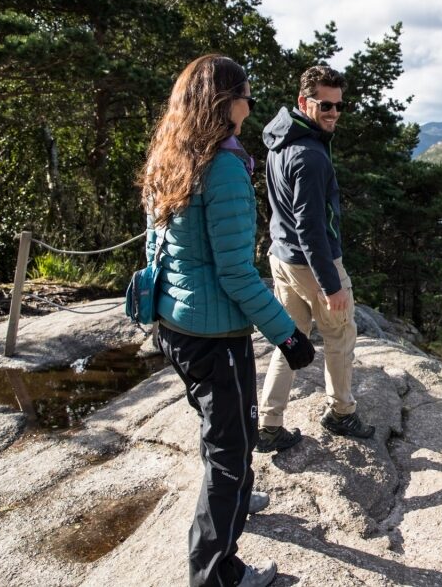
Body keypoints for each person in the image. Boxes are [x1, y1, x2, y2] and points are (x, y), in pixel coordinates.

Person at [140, 54, 315, 587]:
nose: (251, 106)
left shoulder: (170, 155)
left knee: (221, 434)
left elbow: (157, 245)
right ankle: (217, 575)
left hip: (175, 324)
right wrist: (288, 335)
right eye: (248, 96)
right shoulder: (224, 168)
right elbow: (237, 274)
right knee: (232, 448)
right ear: (227, 103)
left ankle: (235, 495)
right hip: (215, 335)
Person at [256, 64, 375, 451]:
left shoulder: (280, 140)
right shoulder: (310, 156)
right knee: (340, 336)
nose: (334, 114)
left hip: (282, 257)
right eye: (325, 106)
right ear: (303, 102)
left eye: (339, 106)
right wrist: (331, 285)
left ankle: (269, 424)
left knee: (289, 339)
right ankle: (341, 413)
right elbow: (310, 227)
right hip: (310, 263)